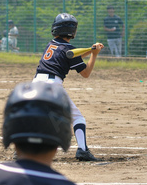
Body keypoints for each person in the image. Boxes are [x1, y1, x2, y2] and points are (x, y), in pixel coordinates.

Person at [33, 13, 104, 161]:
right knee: (78, 118)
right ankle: (83, 150)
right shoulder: (69, 49)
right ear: (72, 31)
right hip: (52, 85)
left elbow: (71, 55)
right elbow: (85, 73)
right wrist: (94, 55)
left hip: (35, 83)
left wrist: (90, 50)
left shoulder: (51, 44)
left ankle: (22, 149)